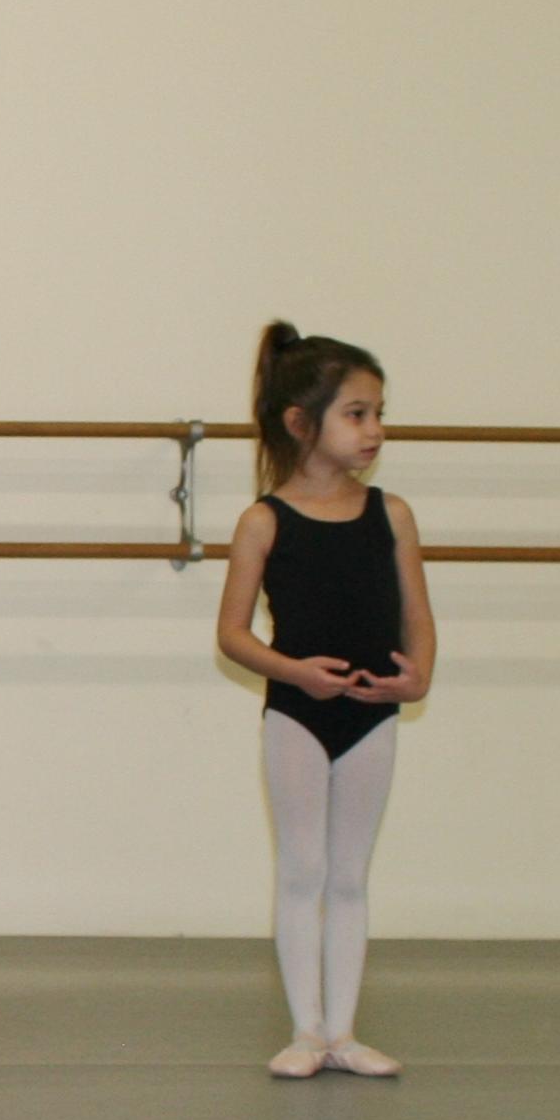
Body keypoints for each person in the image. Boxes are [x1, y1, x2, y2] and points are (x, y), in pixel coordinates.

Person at [215, 323, 436, 1080]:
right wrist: (296, 672)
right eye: (357, 413)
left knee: (350, 874)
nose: (374, 430)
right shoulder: (263, 521)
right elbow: (233, 635)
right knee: (303, 868)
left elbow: (418, 613)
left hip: (373, 712)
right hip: (297, 714)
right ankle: (305, 1029)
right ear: (301, 423)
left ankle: (344, 1028)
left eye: (378, 413)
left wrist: (419, 677)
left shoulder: (392, 514)